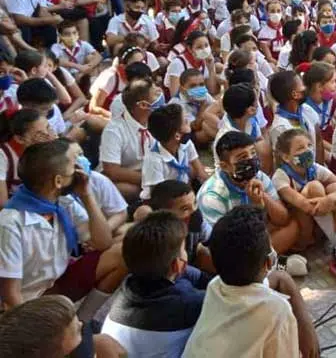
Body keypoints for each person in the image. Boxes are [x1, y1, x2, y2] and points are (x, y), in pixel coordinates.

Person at [0, 140, 123, 318]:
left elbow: (103, 242)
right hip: (22, 303)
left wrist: (87, 196)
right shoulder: (10, 224)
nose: (80, 171)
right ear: (58, 181)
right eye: (74, 167)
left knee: (120, 251)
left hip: (51, 287)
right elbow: (11, 297)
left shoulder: (63, 203)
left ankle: (83, 320)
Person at [182, 205, 310, 358]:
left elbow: (278, 278)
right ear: (268, 263)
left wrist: (307, 326)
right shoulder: (277, 310)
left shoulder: (215, 286)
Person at [101, 211, 209, 357]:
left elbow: (188, 274)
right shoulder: (189, 304)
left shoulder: (129, 285)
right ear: (178, 265)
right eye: (183, 249)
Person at [272, 128, 336, 290]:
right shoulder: (280, 177)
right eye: (300, 149)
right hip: (302, 233)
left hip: (319, 231)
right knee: (315, 187)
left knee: (334, 188)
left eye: (309, 146)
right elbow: (306, 206)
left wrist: (332, 198)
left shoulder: (315, 168)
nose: (307, 151)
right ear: (285, 157)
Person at [198, 131, 300, 254]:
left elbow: (283, 218)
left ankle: (271, 262)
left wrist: (263, 196)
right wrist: (257, 210)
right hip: (232, 248)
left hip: (256, 235)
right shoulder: (212, 196)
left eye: (252, 153)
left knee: (292, 226)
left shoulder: (259, 177)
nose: (251, 160)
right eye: (242, 157)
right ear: (225, 166)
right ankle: (275, 264)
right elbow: (224, 243)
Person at [99, 78, 161, 201]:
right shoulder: (114, 130)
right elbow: (112, 171)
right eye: (156, 94)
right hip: (123, 178)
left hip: (149, 173)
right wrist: (149, 179)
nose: (160, 94)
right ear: (143, 105)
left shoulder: (158, 119)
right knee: (129, 190)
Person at [140, 104, 208, 200]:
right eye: (185, 122)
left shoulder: (186, 144)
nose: (189, 122)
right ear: (177, 136)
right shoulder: (154, 160)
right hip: (164, 201)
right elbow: (158, 196)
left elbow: (201, 172)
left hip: (184, 193)